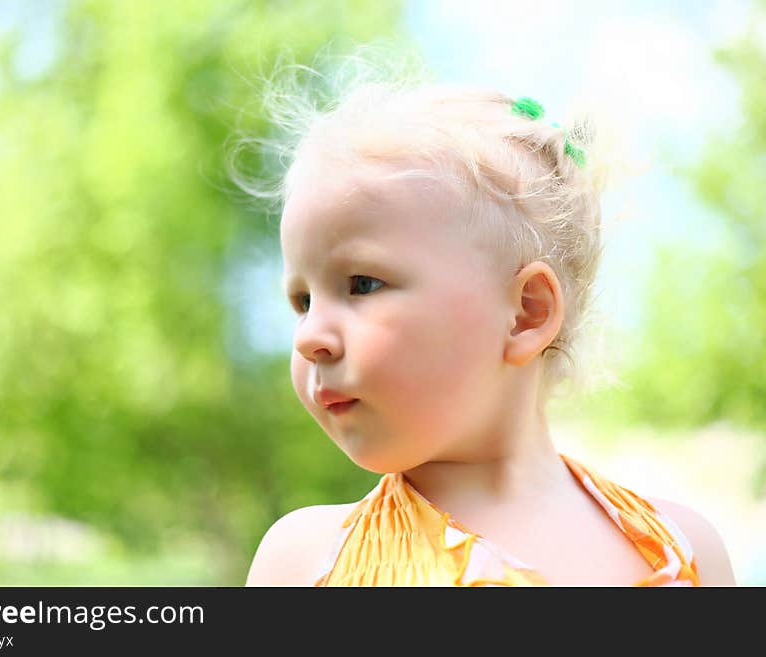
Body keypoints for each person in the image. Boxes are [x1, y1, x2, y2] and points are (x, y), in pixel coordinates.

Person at [237, 49, 736, 586]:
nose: (310, 336)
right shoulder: (306, 560)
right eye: (302, 301)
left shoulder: (680, 548)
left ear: (526, 313)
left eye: (362, 284)